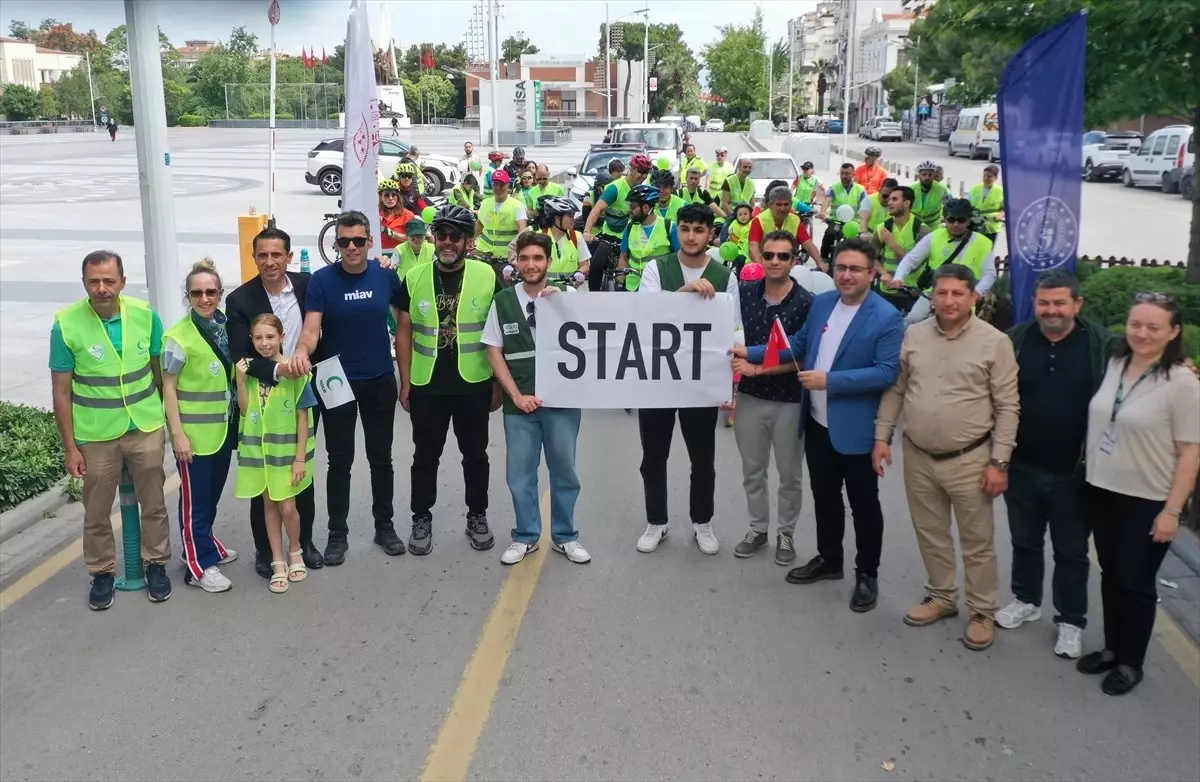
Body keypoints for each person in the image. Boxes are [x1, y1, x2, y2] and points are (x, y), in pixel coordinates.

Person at [745, 238, 902, 610]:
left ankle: (867, 574)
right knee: (825, 498)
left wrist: (829, 380)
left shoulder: (886, 316)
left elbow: (886, 372)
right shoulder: (824, 303)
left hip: (856, 429)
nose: (846, 275)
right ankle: (830, 559)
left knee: (864, 505)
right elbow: (797, 344)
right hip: (817, 423)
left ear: (872, 272)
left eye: (855, 269)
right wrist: (748, 352)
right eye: (841, 267)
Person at [873, 263, 1019, 651]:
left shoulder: (994, 342)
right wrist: (882, 436)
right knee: (930, 532)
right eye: (942, 293)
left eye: (958, 293)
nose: (949, 300)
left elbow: (1008, 407)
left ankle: (982, 611)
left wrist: (999, 461)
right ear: (932, 296)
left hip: (971, 459)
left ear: (973, 297)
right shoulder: (915, 335)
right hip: (918, 456)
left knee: (977, 541)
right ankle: (941, 596)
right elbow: (897, 390)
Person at [1078, 293, 1200, 695]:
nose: (1142, 333)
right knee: (1111, 575)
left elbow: (1190, 452)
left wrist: (1172, 511)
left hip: (1147, 499)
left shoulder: (1182, 382)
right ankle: (1112, 648)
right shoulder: (1116, 363)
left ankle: (1131, 663)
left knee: (1136, 582)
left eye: (1153, 327)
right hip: (1102, 490)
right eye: (1136, 324)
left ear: (1173, 332)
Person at [998, 270, 1120, 659]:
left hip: (1074, 472)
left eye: (1060, 303)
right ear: (1035, 304)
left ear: (1077, 304)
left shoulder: (1103, 345)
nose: (1051, 310)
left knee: (1071, 551)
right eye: (1044, 303)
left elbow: (1147, 365)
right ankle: (1026, 600)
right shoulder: (1015, 340)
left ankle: (1071, 620)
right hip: (1021, 465)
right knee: (1024, 540)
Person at [50, 250, 172, 609]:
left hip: (145, 426)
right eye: (94, 281)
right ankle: (101, 572)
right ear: (84, 282)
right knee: (96, 510)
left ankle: (156, 565)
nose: (101, 288)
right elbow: (61, 392)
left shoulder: (146, 316)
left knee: (154, 503)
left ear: (123, 281)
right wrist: (70, 447)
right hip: (96, 435)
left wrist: (167, 421)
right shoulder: (66, 325)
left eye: (109, 280)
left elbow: (159, 374)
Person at [287, 211, 406, 565]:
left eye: (358, 240)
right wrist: (301, 352)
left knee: (381, 458)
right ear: (336, 243)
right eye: (344, 241)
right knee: (339, 461)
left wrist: (408, 378)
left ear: (370, 241)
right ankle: (337, 534)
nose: (351, 247)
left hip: (379, 378)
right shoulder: (322, 281)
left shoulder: (386, 276)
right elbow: (311, 330)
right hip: (335, 380)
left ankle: (384, 527)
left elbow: (405, 324)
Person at [635, 204, 742, 556]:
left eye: (699, 229)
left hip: (700, 382)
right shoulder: (657, 268)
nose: (691, 236)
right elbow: (644, 314)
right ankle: (657, 521)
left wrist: (731, 385)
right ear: (677, 231)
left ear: (711, 233)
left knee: (703, 459)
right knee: (653, 457)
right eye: (685, 228)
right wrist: (685, 292)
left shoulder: (725, 276)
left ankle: (702, 521)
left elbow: (733, 330)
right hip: (658, 379)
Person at [396, 205, 502, 555]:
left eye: (456, 236)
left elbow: (500, 331)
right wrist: (405, 381)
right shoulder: (414, 277)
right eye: (442, 234)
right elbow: (404, 331)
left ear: (468, 241)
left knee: (476, 456)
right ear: (434, 237)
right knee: (425, 457)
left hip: (474, 384)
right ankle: (421, 518)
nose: (448, 242)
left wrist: (498, 383)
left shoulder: (488, 275)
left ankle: (477, 516)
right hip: (428, 385)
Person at [484, 231, 592, 566]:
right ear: (516, 261)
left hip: (562, 403)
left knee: (565, 472)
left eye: (538, 258)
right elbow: (494, 351)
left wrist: (564, 304)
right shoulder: (503, 301)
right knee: (519, 475)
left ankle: (566, 536)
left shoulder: (567, 297)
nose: (531, 265)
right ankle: (526, 535)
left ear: (549, 261)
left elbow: (594, 340)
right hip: (520, 406)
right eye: (524, 258)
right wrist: (516, 396)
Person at [226, 227, 325, 576]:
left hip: (304, 390)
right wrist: (282, 370)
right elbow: (242, 356)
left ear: (289, 256)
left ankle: (304, 543)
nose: (270, 261)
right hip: (266, 395)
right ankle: (266, 550)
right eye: (263, 255)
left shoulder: (307, 285)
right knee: (264, 481)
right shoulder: (239, 300)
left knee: (301, 471)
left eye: (276, 254)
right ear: (254, 257)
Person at [725, 231, 814, 564]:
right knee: (753, 471)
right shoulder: (743, 293)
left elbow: (803, 355)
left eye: (783, 256)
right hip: (750, 398)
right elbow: (715, 325)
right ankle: (758, 529)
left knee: (790, 475)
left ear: (794, 260)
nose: (775, 261)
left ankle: (785, 534)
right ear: (760, 258)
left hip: (790, 399)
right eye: (769, 255)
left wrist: (758, 368)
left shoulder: (806, 302)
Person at [161, 259, 239, 594]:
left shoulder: (226, 326)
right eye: (197, 293)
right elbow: (168, 389)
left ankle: (204, 544)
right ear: (188, 296)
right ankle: (198, 565)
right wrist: (178, 435)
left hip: (222, 430)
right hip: (193, 436)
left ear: (220, 293)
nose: (204, 298)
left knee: (211, 495)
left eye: (211, 292)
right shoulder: (178, 337)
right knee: (195, 501)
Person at [234, 314, 317, 594]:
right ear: (251, 340)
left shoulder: (295, 372)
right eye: (258, 338)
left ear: (282, 337)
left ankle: (295, 550)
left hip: (287, 457)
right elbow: (245, 409)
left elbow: (303, 417)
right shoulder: (250, 372)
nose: (264, 343)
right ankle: (277, 560)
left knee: (288, 508)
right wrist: (241, 380)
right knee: (269, 508)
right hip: (261, 457)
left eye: (270, 337)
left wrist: (300, 459)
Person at [887, 198, 997, 300]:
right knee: (914, 315)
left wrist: (977, 292)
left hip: (965, 297)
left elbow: (990, 273)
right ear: (945, 219)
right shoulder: (934, 236)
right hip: (934, 294)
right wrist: (898, 278)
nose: (956, 224)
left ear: (968, 221)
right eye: (951, 220)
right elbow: (911, 259)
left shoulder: (983, 242)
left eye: (961, 220)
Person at [583, 153, 652, 291]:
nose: (643, 176)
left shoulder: (643, 190)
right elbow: (596, 209)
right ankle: (593, 298)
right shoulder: (615, 188)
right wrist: (587, 231)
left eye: (646, 173)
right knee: (596, 266)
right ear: (631, 169)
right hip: (610, 237)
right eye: (640, 171)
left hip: (630, 238)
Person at [873, 186, 932, 310]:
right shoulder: (882, 228)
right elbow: (871, 257)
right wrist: (883, 273)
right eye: (889, 199)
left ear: (907, 203)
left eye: (894, 199)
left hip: (912, 292)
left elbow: (914, 264)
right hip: (886, 291)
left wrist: (893, 244)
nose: (889, 203)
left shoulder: (922, 230)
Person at [617, 183, 680, 292]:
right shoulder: (630, 227)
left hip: (660, 286)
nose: (630, 210)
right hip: (633, 287)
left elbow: (679, 258)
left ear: (646, 208)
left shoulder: (669, 227)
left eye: (633, 207)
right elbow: (623, 256)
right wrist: (619, 283)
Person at [749, 185, 823, 270]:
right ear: (770, 205)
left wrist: (820, 263)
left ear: (791, 204)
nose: (782, 208)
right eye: (779, 205)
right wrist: (761, 268)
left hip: (786, 264)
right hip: (763, 264)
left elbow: (808, 244)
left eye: (786, 204)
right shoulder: (758, 220)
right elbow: (753, 247)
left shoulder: (795, 220)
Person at [474, 170, 528, 263]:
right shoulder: (485, 203)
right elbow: (480, 223)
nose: (498, 188)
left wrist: (518, 252)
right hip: (483, 252)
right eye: (495, 184)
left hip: (505, 257)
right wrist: (471, 240)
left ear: (508, 186)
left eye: (502, 184)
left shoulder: (517, 206)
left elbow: (522, 232)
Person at [818, 163, 866, 263]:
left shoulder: (861, 190)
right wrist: (822, 212)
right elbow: (827, 200)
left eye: (847, 173)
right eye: (842, 173)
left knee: (859, 243)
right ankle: (823, 261)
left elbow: (865, 206)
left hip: (854, 223)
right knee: (828, 236)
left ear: (853, 174)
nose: (843, 176)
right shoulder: (834, 188)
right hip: (836, 222)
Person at [535, 196, 590, 280]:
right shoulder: (539, 236)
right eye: (570, 216)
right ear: (557, 218)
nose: (573, 219)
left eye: (573, 215)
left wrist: (579, 272)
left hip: (569, 286)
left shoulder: (576, 236)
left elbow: (585, 265)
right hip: (544, 286)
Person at [969, 164, 1005, 244]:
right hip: (975, 222)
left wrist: (1000, 215)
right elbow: (968, 204)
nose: (986, 178)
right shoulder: (975, 189)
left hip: (991, 226)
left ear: (995, 178)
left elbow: (1005, 209)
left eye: (989, 177)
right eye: (984, 176)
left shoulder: (1000, 191)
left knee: (988, 248)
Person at [379, 179, 415, 254]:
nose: (390, 198)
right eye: (386, 195)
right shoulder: (376, 215)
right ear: (381, 197)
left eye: (393, 195)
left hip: (401, 255)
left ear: (398, 197)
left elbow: (414, 239)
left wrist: (393, 234)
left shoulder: (407, 215)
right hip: (381, 255)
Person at [910, 160, 949, 226]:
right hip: (914, 224)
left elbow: (948, 207)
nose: (927, 177)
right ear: (919, 176)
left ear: (934, 176)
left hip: (933, 225)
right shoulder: (911, 189)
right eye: (924, 174)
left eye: (930, 174)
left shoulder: (942, 189)